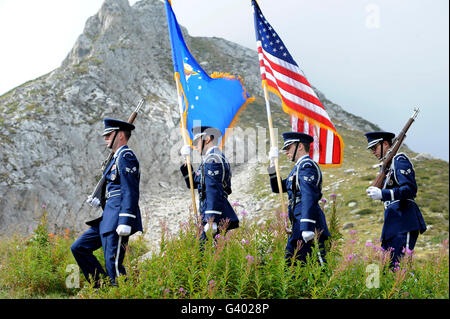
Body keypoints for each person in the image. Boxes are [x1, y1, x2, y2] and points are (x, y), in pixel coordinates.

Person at [71, 118, 143, 287]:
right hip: (108, 217)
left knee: (114, 265)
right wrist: (100, 198)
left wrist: (126, 221)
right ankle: (102, 287)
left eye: (109, 134)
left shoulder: (126, 156)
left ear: (121, 136)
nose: (105, 138)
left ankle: (123, 293)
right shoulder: (114, 159)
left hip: (118, 218)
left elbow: (130, 191)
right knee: (79, 248)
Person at [365, 131, 426, 268]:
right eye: (371, 149)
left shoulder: (399, 160)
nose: (373, 152)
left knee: (401, 267)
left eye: (375, 148)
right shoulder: (387, 168)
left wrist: (383, 194)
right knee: (390, 268)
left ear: (385, 144)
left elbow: (410, 189)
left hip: (404, 220)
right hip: (392, 223)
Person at [268, 132, 330, 266]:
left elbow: (309, 196)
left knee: (318, 266)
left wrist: (307, 226)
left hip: (308, 225)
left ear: (300, 146)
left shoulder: (307, 166)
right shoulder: (297, 169)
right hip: (298, 224)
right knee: (292, 266)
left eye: (288, 147)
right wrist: (272, 166)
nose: (286, 152)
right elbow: (278, 188)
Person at [180, 126, 239, 241]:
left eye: (196, 141)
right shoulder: (210, 159)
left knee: (206, 252)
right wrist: (186, 161)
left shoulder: (213, 159)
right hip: (208, 213)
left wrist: (211, 220)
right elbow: (195, 183)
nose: (195, 146)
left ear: (206, 139)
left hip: (213, 214)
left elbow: (213, 191)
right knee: (207, 251)